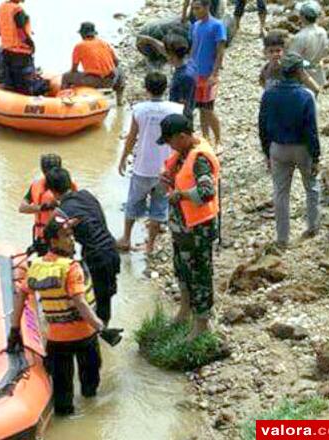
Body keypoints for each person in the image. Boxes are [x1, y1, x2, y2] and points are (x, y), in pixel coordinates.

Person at [8, 216, 122, 415]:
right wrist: (101, 328)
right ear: (53, 241)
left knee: (62, 397)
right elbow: (80, 302)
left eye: (71, 235)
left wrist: (14, 330)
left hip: (56, 341)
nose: (72, 240)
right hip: (84, 338)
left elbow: (20, 297)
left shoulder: (35, 267)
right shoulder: (71, 268)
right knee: (90, 388)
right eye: (66, 236)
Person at [157, 114, 220, 340]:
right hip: (181, 228)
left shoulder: (200, 159)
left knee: (199, 275)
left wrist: (180, 194)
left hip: (197, 231)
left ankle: (201, 324)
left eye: (170, 140)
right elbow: (182, 179)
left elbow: (206, 192)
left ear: (182, 137)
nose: (168, 145)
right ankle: (184, 311)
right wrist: (169, 180)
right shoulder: (183, 154)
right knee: (182, 270)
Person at [116, 72, 184, 254]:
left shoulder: (139, 110)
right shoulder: (176, 109)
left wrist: (123, 158)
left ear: (146, 89)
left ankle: (126, 238)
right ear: (166, 88)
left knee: (133, 203)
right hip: (165, 169)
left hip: (142, 167)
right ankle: (150, 245)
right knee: (159, 207)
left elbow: (132, 137)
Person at [259, 52, 320, 248]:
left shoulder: (269, 94)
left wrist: (266, 151)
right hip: (302, 147)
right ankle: (312, 226)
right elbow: (311, 129)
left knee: (280, 193)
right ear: (298, 72)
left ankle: (282, 238)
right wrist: (316, 156)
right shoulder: (306, 95)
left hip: (278, 148)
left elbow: (262, 126)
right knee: (311, 187)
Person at [44, 168, 120, 326]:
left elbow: (52, 238)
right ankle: (103, 330)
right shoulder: (87, 194)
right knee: (106, 297)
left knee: (95, 298)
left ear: (52, 191)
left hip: (96, 256)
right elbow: (98, 219)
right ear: (70, 183)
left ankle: (99, 334)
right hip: (111, 249)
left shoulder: (60, 212)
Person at [19, 154, 77, 255]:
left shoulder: (67, 185)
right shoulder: (36, 186)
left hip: (61, 238)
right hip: (43, 238)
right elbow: (22, 208)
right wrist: (42, 207)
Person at [189, 0, 227, 152]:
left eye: (197, 8)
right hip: (196, 73)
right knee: (200, 108)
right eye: (193, 9)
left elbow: (220, 51)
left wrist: (215, 73)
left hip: (209, 75)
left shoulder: (217, 25)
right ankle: (205, 138)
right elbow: (194, 47)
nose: (195, 12)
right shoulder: (195, 26)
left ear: (207, 7)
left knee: (209, 109)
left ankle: (218, 141)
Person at [61, 22, 126, 106]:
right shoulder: (104, 43)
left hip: (95, 81)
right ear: (94, 33)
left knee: (66, 76)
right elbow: (116, 62)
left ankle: (64, 101)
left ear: (82, 34)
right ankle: (120, 101)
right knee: (120, 70)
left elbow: (74, 69)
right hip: (111, 80)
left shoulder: (79, 46)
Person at [135, 34, 196, 121]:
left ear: (171, 55)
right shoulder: (189, 62)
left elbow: (182, 104)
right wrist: (150, 40)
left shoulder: (184, 77)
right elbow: (164, 50)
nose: (165, 55)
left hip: (180, 120)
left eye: (167, 52)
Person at [0, 0, 36, 95]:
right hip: (21, 53)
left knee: (10, 84)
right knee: (24, 87)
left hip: (7, 50)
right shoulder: (18, 10)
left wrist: (7, 37)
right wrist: (30, 43)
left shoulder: (3, 7)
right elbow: (20, 30)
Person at [289, 1, 329, 87]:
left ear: (302, 16)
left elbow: (294, 60)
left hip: (304, 76)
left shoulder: (301, 36)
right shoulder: (323, 32)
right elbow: (325, 51)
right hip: (318, 73)